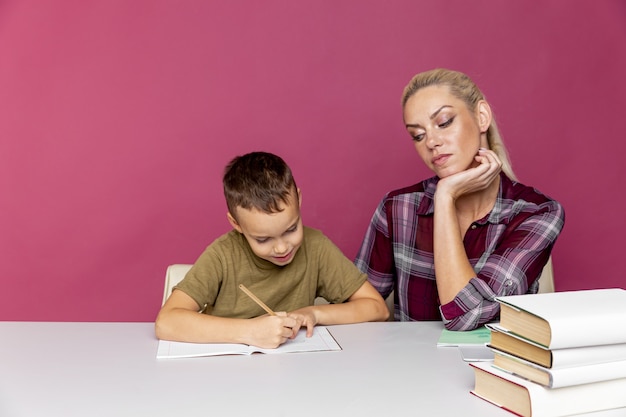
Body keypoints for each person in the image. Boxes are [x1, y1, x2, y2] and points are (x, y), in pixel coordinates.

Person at [354, 68, 565, 330]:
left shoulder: (537, 213)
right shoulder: (397, 208)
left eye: (443, 122)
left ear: (481, 116)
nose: (431, 141)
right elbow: (359, 303)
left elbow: (464, 315)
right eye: (418, 135)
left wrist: (444, 197)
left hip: (493, 368)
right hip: (408, 368)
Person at [156, 151, 389, 348]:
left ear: (298, 199)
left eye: (291, 229)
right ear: (236, 224)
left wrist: (314, 313)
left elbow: (377, 308)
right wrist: (250, 332)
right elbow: (166, 322)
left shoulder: (315, 246)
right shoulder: (222, 255)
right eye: (263, 239)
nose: (281, 247)